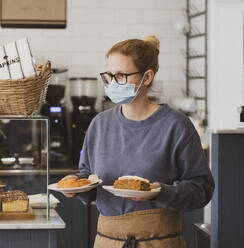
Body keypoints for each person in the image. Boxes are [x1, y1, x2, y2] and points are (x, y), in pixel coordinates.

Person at [62, 35, 214, 248]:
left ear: (148, 77)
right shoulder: (99, 124)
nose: (113, 83)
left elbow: (202, 190)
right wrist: (77, 186)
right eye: (109, 76)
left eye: (122, 76)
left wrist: (161, 192)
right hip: (107, 242)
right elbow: (89, 177)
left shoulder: (176, 126)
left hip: (159, 242)